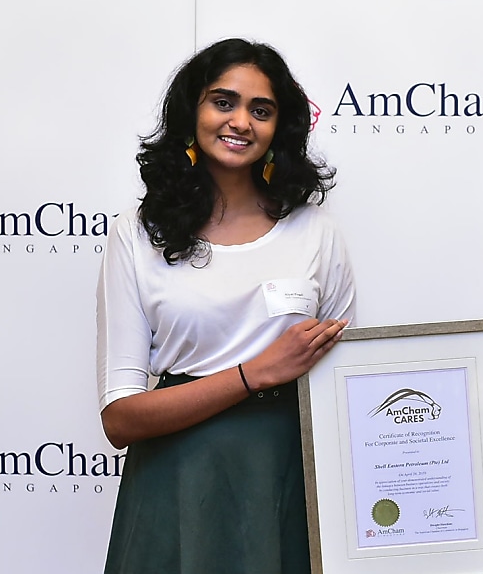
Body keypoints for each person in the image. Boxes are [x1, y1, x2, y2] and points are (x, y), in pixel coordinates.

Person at [95, 38, 356, 574]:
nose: (240, 121)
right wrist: (254, 373)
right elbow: (120, 419)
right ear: (192, 111)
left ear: (278, 129)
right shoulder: (136, 235)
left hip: (289, 476)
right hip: (177, 482)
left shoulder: (315, 233)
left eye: (261, 110)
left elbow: (352, 388)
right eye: (223, 102)